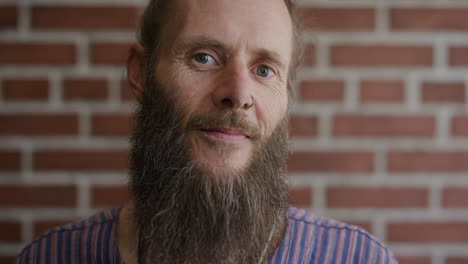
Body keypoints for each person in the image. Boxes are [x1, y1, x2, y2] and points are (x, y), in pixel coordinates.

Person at [17, 0, 398, 263]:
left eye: (265, 70)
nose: (238, 94)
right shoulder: (52, 256)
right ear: (141, 73)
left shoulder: (360, 257)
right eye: (204, 58)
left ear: (287, 95)